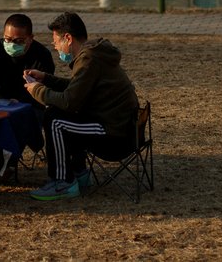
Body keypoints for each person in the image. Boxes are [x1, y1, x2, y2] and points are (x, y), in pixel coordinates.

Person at [24, 12, 139, 201]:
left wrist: (37, 90)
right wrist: (46, 78)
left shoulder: (89, 58)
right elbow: (76, 88)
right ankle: (79, 172)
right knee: (61, 115)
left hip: (114, 134)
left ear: (68, 38)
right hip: (123, 125)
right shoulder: (94, 53)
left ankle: (63, 182)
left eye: (56, 41)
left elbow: (70, 101)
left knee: (54, 120)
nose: (54, 46)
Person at [0, 13, 55, 106]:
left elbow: (45, 88)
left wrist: (22, 101)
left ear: (30, 38)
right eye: (8, 39)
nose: (12, 44)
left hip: (30, 104)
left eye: (19, 41)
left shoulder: (42, 55)